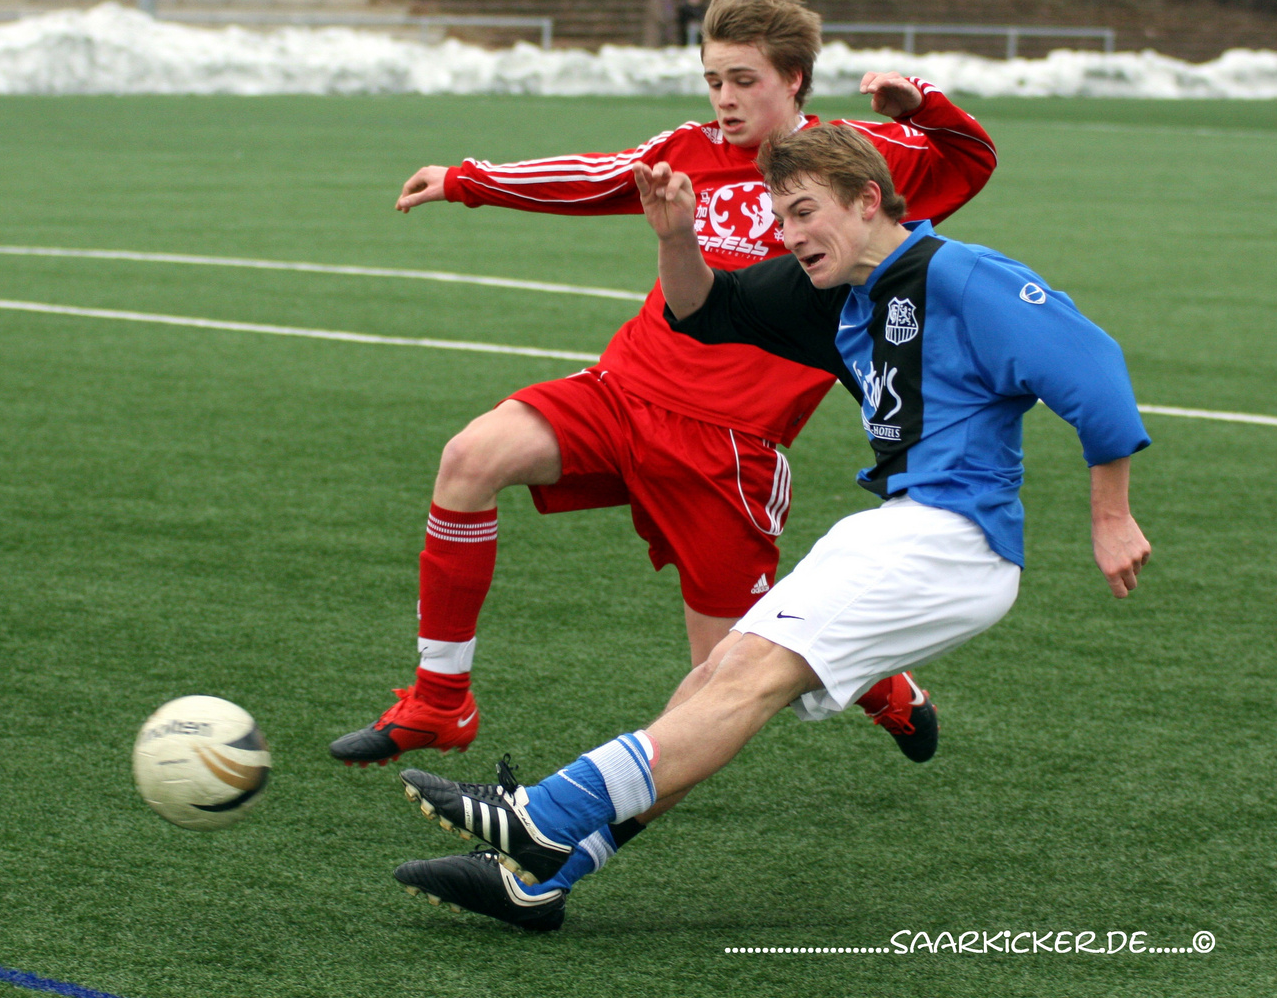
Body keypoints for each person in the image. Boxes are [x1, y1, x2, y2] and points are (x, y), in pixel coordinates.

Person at [390, 122, 1152, 929]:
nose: (787, 235)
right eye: (778, 217)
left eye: (802, 212)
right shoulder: (826, 291)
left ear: (866, 201)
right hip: (896, 529)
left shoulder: (956, 274)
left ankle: (542, 816)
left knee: (746, 676)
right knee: (715, 682)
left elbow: (1092, 367)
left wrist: (1110, 517)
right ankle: (540, 879)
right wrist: (676, 235)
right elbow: (700, 308)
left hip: (953, 542)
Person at [330, 0, 999, 776]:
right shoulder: (688, 151)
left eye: (743, 79)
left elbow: (970, 158)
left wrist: (917, 103)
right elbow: (597, 175)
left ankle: (878, 684)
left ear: (793, 79)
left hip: (728, 447)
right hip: (623, 391)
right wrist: (469, 180)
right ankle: (439, 704)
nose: (724, 98)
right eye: (713, 79)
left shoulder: (856, 163)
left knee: (718, 684)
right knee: (470, 458)